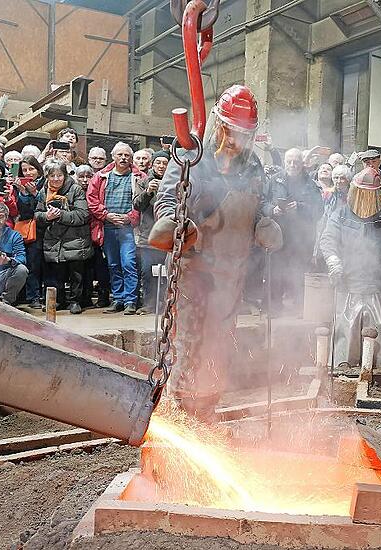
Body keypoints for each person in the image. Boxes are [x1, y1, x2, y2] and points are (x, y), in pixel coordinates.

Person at [149, 84, 282, 419]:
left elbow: (260, 201)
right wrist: (172, 222)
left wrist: (263, 222)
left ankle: (206, 409)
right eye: (236, 133)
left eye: (247, 135)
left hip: (231, 275)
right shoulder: (192, 158)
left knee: (220, 346)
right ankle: (179, 413)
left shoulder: (253, 168)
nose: (240, 142)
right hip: (195, 274)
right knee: (188, 344)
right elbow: (168, 198)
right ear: (221, 126)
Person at [319, 167, 381, 383]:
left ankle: (379, 375)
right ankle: (342, 371)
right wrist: (334, 263)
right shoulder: (340, 214)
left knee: (377, 330)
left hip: (375, 283)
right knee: (345, 329)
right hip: (347, 282)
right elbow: (328, 240)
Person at [265, 147, 323, 314]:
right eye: (289, 161)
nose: (292, 165)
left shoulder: (311, 185)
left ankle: (299, 311)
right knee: (275, 274)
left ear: (302, 163)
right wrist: (272, 210)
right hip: (278, 236)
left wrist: (299, 207)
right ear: (284, 162)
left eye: (296, 162)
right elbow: (262, 202)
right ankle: (274, 309)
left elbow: (319, 211)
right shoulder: (274, 180)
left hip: (302, 239)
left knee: (298, 274)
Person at [86, 142, 142, 315]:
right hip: (108, 227)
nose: (123, 158)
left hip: (128, 229)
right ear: (113, 156)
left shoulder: (139, 177)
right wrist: (106, 215)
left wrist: (130, 217)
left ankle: (131, 300)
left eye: (127, 155)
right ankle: (118, 299)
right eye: (120, 155)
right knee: (113, 264)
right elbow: (92, 199)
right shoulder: (101, 176)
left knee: (129, 264)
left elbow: (144, 203)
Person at [34, 161, 92, 314]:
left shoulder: (75, 189)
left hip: (74, 238)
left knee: (76, 273)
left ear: (65, 175)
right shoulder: (43, 191)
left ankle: (75, 301)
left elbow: (83, 215)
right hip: (53, 239)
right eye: (52, 176)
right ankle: (58, 300)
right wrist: (47, 216)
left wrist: (60, 215)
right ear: (47, 177)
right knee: (56, 273)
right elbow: (37, 214)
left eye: (59, 175)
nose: (56, 179)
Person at [133, 150, 170, 314]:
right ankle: (149, 304)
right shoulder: (143, 181)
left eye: (165, 163)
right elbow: (137, 205)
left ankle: (166, 303)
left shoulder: (174, 181)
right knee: (148, 272)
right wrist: (148, 192)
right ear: (152, 164)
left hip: (169, 236)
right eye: (158, 163)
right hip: (148, 236)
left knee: (168, 273)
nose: (161, 166)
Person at [75, 164, 110, 308]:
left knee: (100, 266)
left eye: (88, 176)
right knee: (85, 268)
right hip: (79, 235)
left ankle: (103, 296)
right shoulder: (74, 192)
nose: (85, 180)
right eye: (81, 177)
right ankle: (85, 297)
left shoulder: (99, 189)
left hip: (97, 232)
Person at [15, 155, 45, 307]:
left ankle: (48, 297)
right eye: (24, 170)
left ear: (38, 170)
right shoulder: (19, 187)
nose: (28, 173)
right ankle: (33, 297)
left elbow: (47, 204)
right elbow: (24, 213)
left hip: (48, 229)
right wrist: (24, 194)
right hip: (31, 231)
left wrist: (35, 194)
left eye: (31, 169)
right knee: (32, 264)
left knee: (47, 266)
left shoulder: (46, 183)